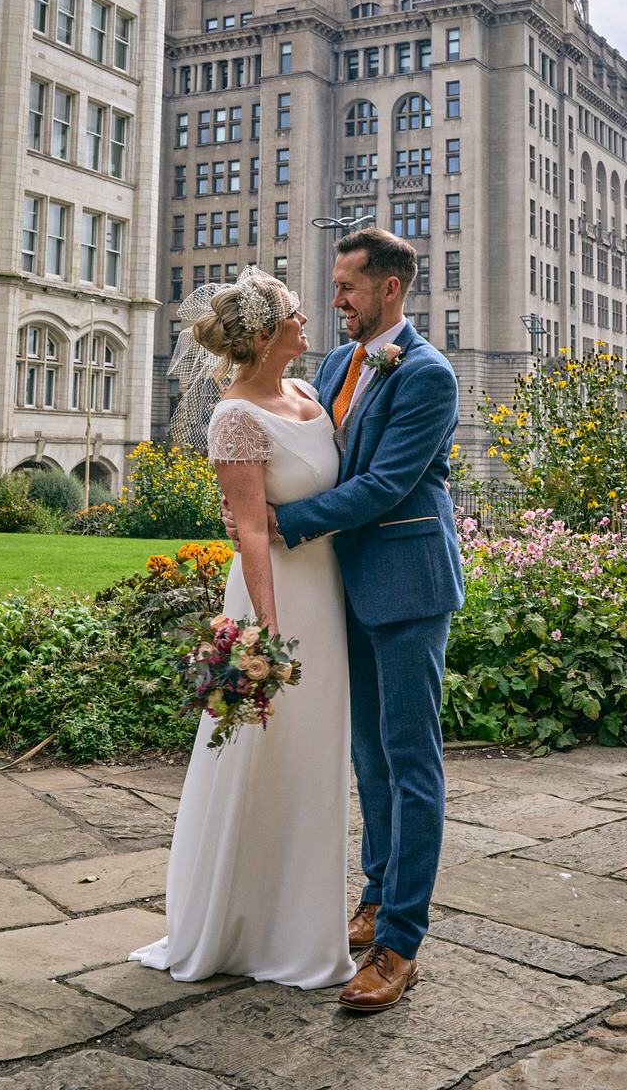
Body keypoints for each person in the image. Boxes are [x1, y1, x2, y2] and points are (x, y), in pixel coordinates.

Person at [227, 226, 465, 1013]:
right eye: (332, 286)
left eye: (348, 287)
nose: (335, 299)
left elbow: (386, 486)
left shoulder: (426, 374)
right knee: (367, 758)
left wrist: (274, 525)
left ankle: (401, 942)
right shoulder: (334, 363)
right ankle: (374, 895)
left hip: (405, 586)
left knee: (410, 764)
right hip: (340, 591)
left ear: (389, 289)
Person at [130, 268, 356, 990]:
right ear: (265, 338)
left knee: (315, 762)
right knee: (260, 754)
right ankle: (240, 926)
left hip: (326, 593)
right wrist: (267, 631)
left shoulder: (309, 394)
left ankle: (300, 923)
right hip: (277, 602)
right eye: (293, 313)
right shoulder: (234, 416)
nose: (305, 317)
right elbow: (251, 536)